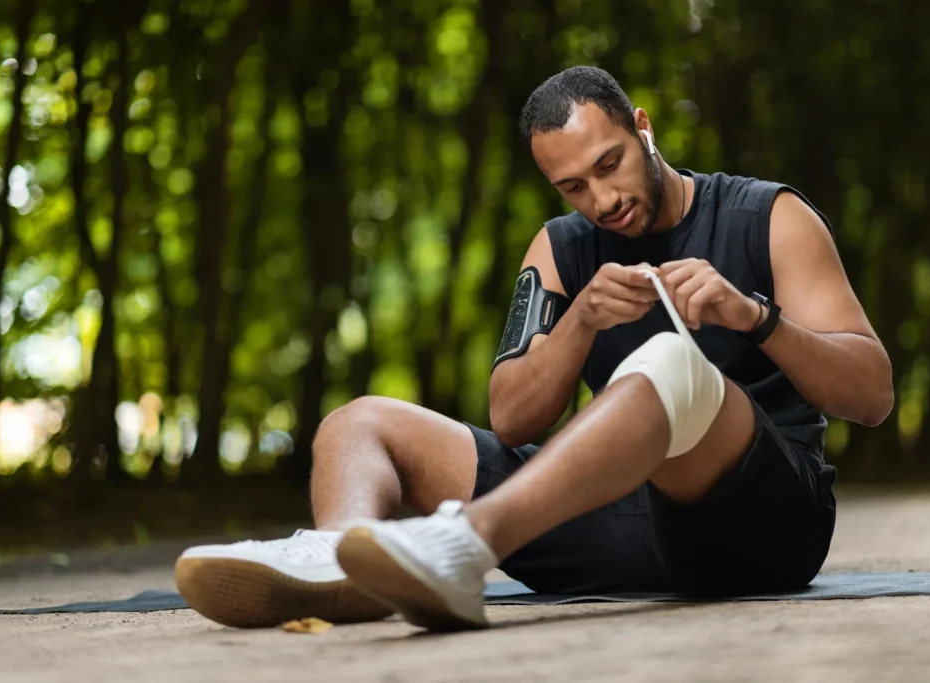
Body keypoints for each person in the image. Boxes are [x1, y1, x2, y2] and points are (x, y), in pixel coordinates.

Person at [174, 66, 893, 631]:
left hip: (760, 523)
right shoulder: (561, 247)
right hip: (622, 522)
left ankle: (462, 545)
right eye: (573, 186)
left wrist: (754, 316)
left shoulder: (768, 215)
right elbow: (513, 418)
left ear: (642, 128)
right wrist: (580, 319)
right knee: (359, 422)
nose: (602, 199)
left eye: (610, 164)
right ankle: (342, 560)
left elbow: (873, 395)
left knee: (671, 362)